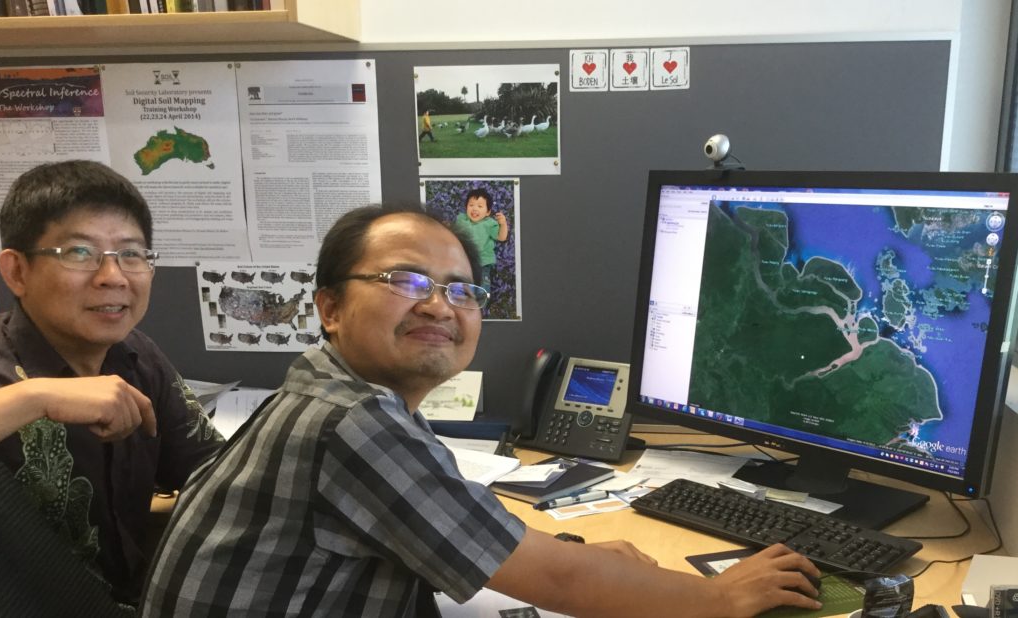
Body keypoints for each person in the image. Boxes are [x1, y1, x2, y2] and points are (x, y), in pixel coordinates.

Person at [140, 202, 822, 617]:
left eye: (461, 291)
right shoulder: (350, 423)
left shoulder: (327, 394)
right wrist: (720, 599)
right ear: (330, 308)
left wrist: (565, 554)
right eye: (405, 281)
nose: (440, 305)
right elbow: (554, 579)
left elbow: (494, 544)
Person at [0, 160, 225, 605]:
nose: (113, 276)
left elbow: (213, 474)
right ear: (17, 271)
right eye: (79, 253)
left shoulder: (136, 355)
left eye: (132, 255)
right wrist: (37, 396)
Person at [454, 187, 508, 292]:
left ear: (488, 212)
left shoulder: (489, 224)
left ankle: (481, 304)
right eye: (471, 205)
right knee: (464, 284)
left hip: (483, 263)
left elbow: (501, 237)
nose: (474, 209)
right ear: (466, 208)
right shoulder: (462, 220)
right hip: (465, 261)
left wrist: (503, 224)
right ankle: (466, 300)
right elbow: (455, 234)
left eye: (480, 206)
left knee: (482, 288)